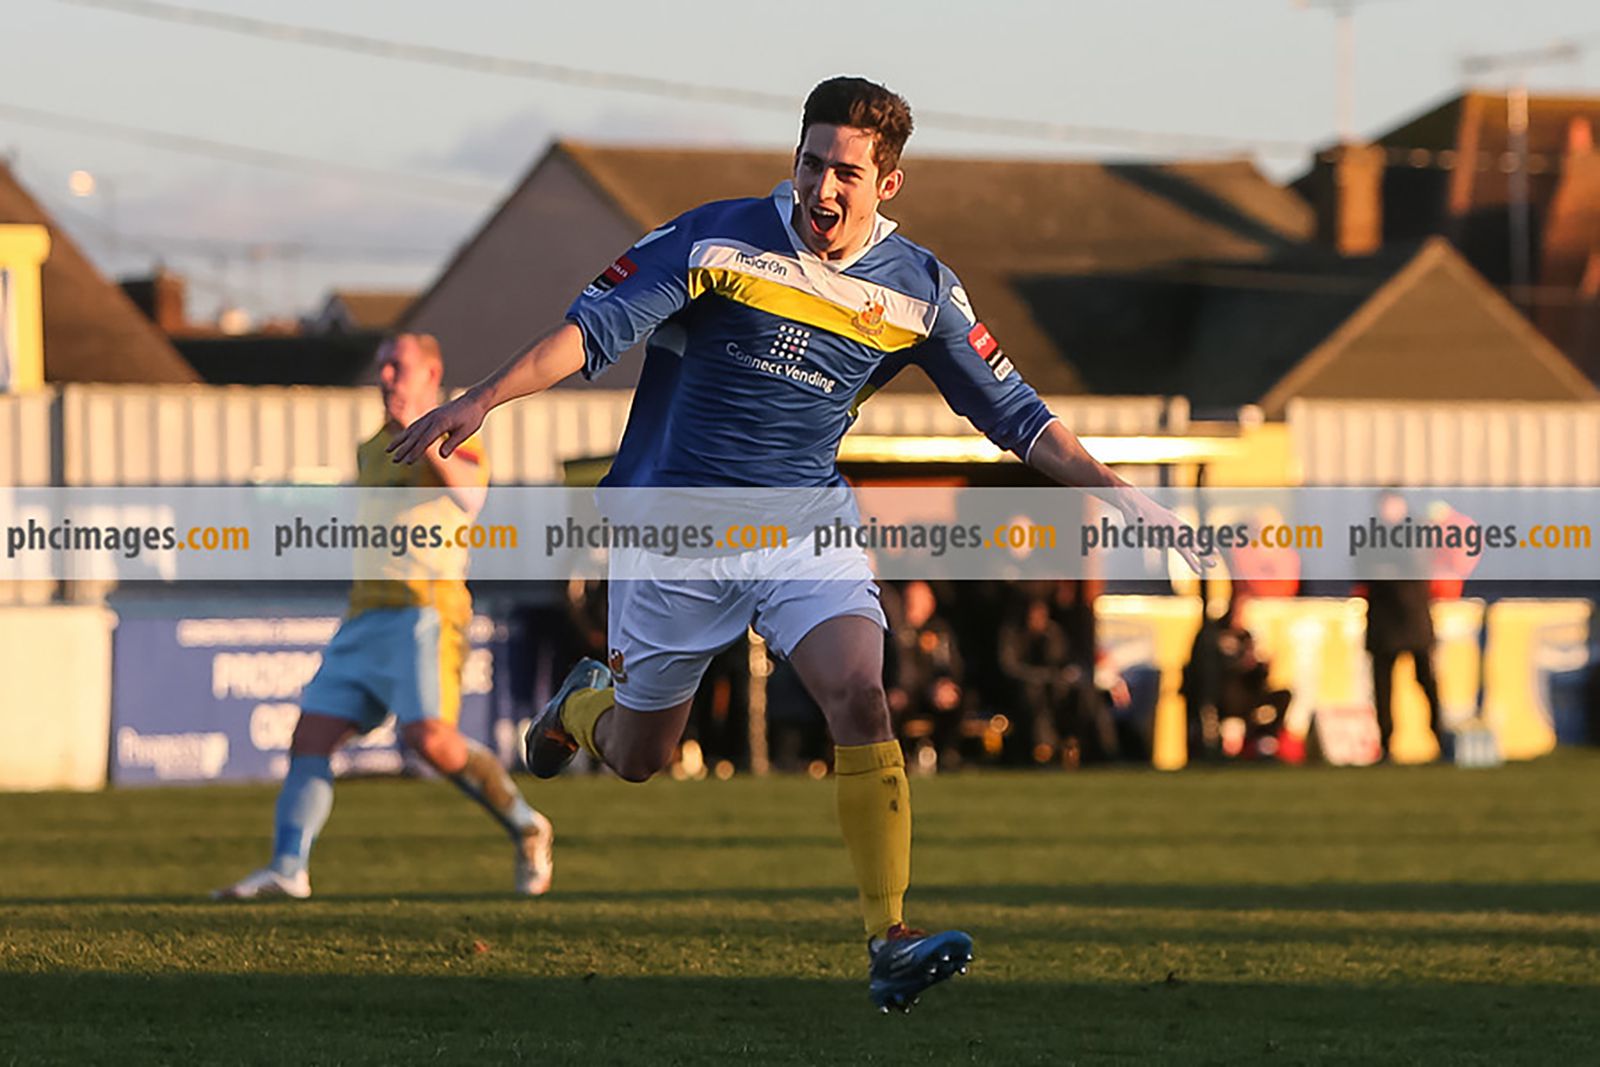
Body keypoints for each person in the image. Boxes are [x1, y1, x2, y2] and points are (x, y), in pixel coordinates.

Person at [389, 77, 1200, 1010]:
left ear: (886, 184)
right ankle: (584, 709)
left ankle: (887, 934)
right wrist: (482, 396)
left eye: (845, 172)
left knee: (860, 689)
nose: (822, 187)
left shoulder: (921, 291)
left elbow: (1015, 414)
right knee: (642, 753)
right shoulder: (717, 237)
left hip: (803, 525)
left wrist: (1114, 489)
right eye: (811, 162)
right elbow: (588, 333)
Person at [214, 333, 554, 900]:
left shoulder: (452, 435)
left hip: (425, 611)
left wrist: (423, 439)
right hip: (365, 613)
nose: (387, 378)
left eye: (399, 367)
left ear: (431, 374)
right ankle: (288, 868)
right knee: (311, 737)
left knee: (430, 742)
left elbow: (472, 497)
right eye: (382, 368)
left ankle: (526, 825)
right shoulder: (370, 446)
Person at [1363, 490, 1443, 760]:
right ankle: (1386, 744)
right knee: (1383, 687)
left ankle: (1440, 738)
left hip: (1413, 619)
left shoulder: (1416, 531)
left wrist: (1387, 567)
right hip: (1384, 623)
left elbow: (1416, 565)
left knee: (1426, 681)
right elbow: (1363, 569)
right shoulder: (1370, 535)